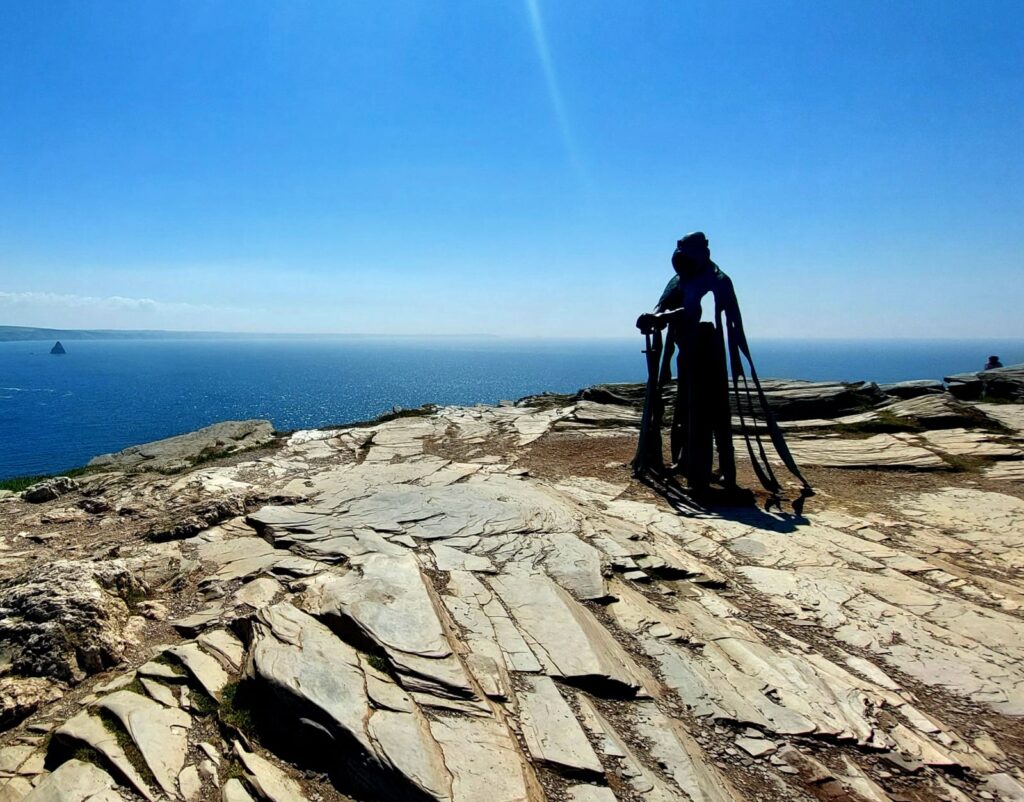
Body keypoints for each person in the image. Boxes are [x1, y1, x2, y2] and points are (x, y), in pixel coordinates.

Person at [634, 232, 813, 513]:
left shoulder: (717, 280)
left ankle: (716, 473)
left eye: (687, 252)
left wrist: (662, 318)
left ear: (703, 251)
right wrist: (653, 316)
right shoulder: (680, 279)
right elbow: (665, 302)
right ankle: (684, 462)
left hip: (710, 359)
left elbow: (691, 311)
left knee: (712, 415)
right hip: (687, 356)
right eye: (679, 252)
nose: (681, 258)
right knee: (683, 410)